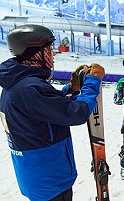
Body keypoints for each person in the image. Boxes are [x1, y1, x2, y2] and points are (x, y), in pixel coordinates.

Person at [0, 24, 105, 201]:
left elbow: (46, 108)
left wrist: (70, 89)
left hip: (38, 177)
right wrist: (92, 82)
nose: (53, 54)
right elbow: (76, 113)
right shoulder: (30, 89)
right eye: (49, 49)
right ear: (35, 54)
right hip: (50, 180)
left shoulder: (18, 85)